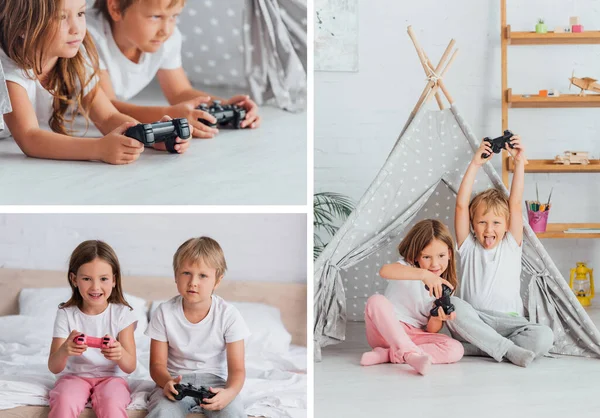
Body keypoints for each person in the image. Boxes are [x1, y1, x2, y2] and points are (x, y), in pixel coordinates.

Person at [0, 0, 189, 164]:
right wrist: (98, 148)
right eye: (61, 17)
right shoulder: (8, 70)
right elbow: (30, 138)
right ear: (22, 25)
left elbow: (107, 117)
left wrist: (148, 136)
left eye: (80, 13)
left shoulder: (75, 57)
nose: (77, 29)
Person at [447, 134, 554, 367]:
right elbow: (461, 205)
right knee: (452, 305)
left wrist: (518, 163)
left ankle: (479, 348)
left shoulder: (511, 244)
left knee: (545, 336)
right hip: (475, 320)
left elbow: (515, 203)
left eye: (496, 223)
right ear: (473, 226)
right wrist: (476, 163)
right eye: (482, 222)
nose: (489, 229)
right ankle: (507, 351)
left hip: (511, 324)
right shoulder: (468, 246)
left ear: (506, 226)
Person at [88, 0, 261, 139]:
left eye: (173, 16)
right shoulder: (89, 36)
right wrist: (169, 114)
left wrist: (226, 106)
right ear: (116, 7)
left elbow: (180, 92)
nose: (166, 30)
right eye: (156, 16)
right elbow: (108, 107)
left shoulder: (163, 39)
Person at [145, 237, 249, 417]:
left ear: (217, 281)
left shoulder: (229, 315)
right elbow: (156, 364)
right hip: (175, 381)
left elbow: (237, 369)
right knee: (162, 411)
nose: (193, 282)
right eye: (186, 273)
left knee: (232, 413)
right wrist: (167, 382)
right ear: (176, 275)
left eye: (203, 275)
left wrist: (229, 393)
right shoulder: (164, 312)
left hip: (215, 383)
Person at [361, 219, 464, 375]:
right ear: (416, 257)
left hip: (413, 335)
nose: (435, 264)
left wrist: (438, 318)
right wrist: (423, 275)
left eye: (441, 255)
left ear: (449, 254)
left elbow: (431, 329)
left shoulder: (446, 286)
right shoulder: (407, 268)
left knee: (456, 349)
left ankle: (388, 354)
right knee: (376, 301)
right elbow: (384, 271)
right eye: (427, 257)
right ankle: (409, 355)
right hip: (385, 331)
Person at [47, 240, 138, 418]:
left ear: (114, 280)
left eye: (103, 279)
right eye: (87, 279)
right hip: (74, 377)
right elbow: (54, 367)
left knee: (112, 403)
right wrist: (65, 350)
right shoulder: (66, 314)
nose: (95, 287)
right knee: (64, 400)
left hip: (113, 379)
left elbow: (130, 366)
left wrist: (119, 353)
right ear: (74, 279)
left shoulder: (122, 314)